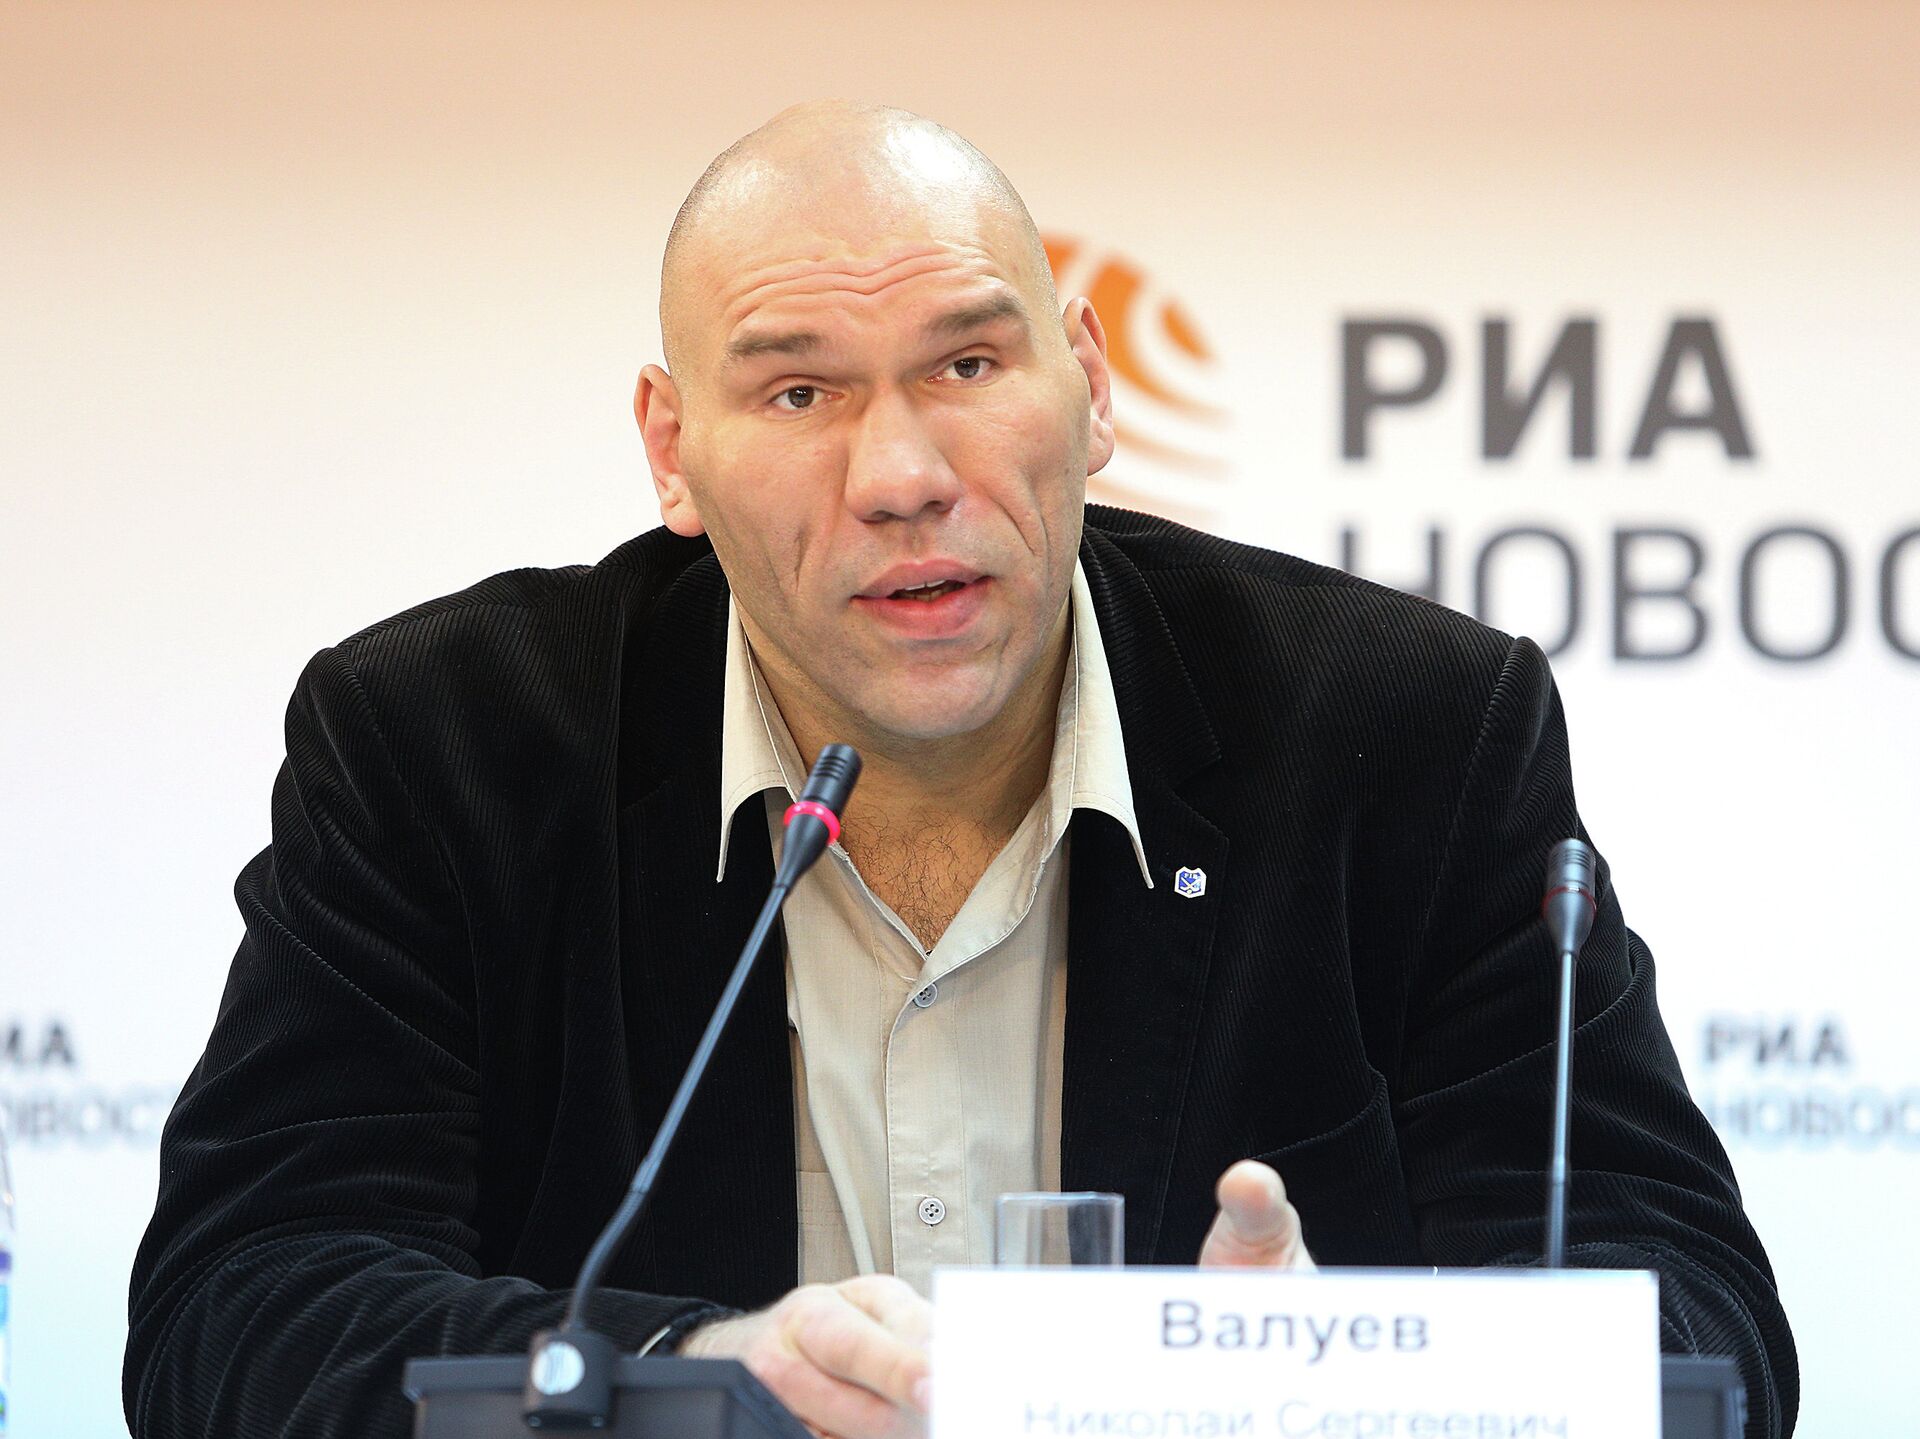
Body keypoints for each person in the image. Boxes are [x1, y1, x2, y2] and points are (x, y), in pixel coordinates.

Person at [124, 103, 1797, 1439]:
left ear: (1093, 387)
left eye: (970, 367)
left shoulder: (1404, 732)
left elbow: (1698, 1330)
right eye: (799, 390)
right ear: (672, 450)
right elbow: (238, 1309)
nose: (904, 473)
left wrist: (1345, 1373)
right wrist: (700, 1384)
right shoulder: (445, 745)